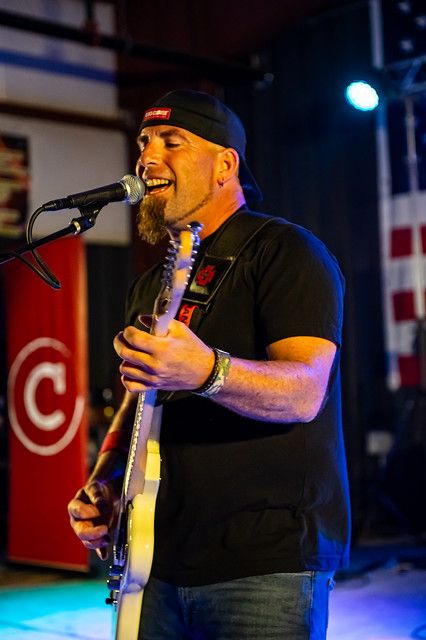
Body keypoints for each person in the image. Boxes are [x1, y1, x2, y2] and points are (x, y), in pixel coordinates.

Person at [68, 89, 351, 639]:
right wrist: (106, 482)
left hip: (263, 562)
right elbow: (139, 400)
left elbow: (304, 391)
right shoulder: (150, 284)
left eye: (171, 142)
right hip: (156, 558)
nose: (147, 158)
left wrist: (205, 371)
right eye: (144, 143)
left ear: (225, 165)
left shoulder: (285, 251)